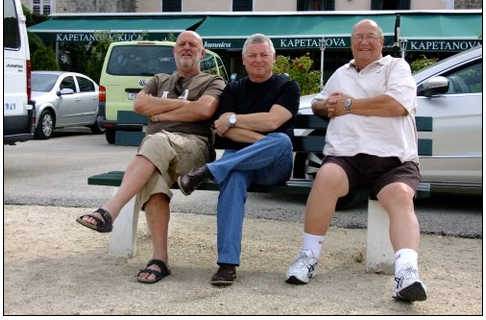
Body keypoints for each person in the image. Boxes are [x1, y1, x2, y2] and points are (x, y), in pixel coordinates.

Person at [286, 19, 427, 302]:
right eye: (358, 37)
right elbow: (322, 101)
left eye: (371, 37)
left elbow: (397, 105)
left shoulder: (396, 67)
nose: (364, 42)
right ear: (351, 43)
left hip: (393, 161)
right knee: (325, 179)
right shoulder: (341, 73)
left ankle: (406, 273)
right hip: (346, 158)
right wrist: (321, 106)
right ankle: (308, 257)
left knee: (400, 196)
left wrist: (349, 105)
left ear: (381, 42)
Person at [76, 31, 225, 284]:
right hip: (157, 153)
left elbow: (204, 110)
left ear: (202, 53)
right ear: (174, 52)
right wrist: (182, 108)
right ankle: (160, 259)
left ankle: (109, 210)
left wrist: (160, 114)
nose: (187, 48)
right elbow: (140, 106)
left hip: (194, 149)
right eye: (182, 44)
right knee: (153, 177)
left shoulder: (213, 81)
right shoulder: (159, 79)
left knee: (154, 141)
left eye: (193, 45)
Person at [178, 33, 300, 287]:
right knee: (234, 177)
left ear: (273, 58)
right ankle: (227, 265)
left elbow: (273, 121)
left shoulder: (287, 86)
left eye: (263, 55)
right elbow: (224, 130)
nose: (258, 60)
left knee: (282, 141)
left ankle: (208, 171)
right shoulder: (233, 89)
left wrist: (235, 119)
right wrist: (264, 142)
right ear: (244, 60)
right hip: (238, 162)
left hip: (274, 165)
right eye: (252, 56)